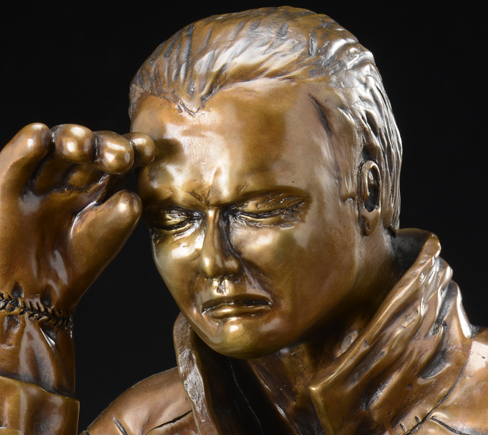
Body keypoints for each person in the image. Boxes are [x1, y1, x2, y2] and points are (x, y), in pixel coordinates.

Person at [0, 6, 486, 435]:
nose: (214, 261)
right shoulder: (144, 426)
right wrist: (23, 324)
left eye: (260, 210)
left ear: (370, 190)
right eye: (174, 220)